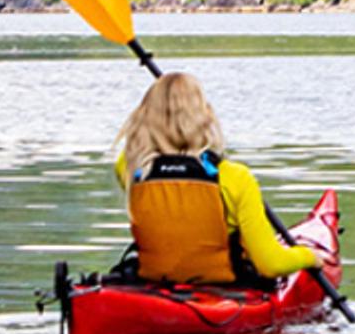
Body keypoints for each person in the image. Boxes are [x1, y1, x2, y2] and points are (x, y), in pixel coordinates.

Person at [112, 70, 318, 286]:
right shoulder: (235, 177)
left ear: (145, 116)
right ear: (205, 117)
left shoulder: (130, 169)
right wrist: (310, 257)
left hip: (154, 283)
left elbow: (139, 156)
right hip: (223, 290)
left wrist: (163, 109)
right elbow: (271, 264)